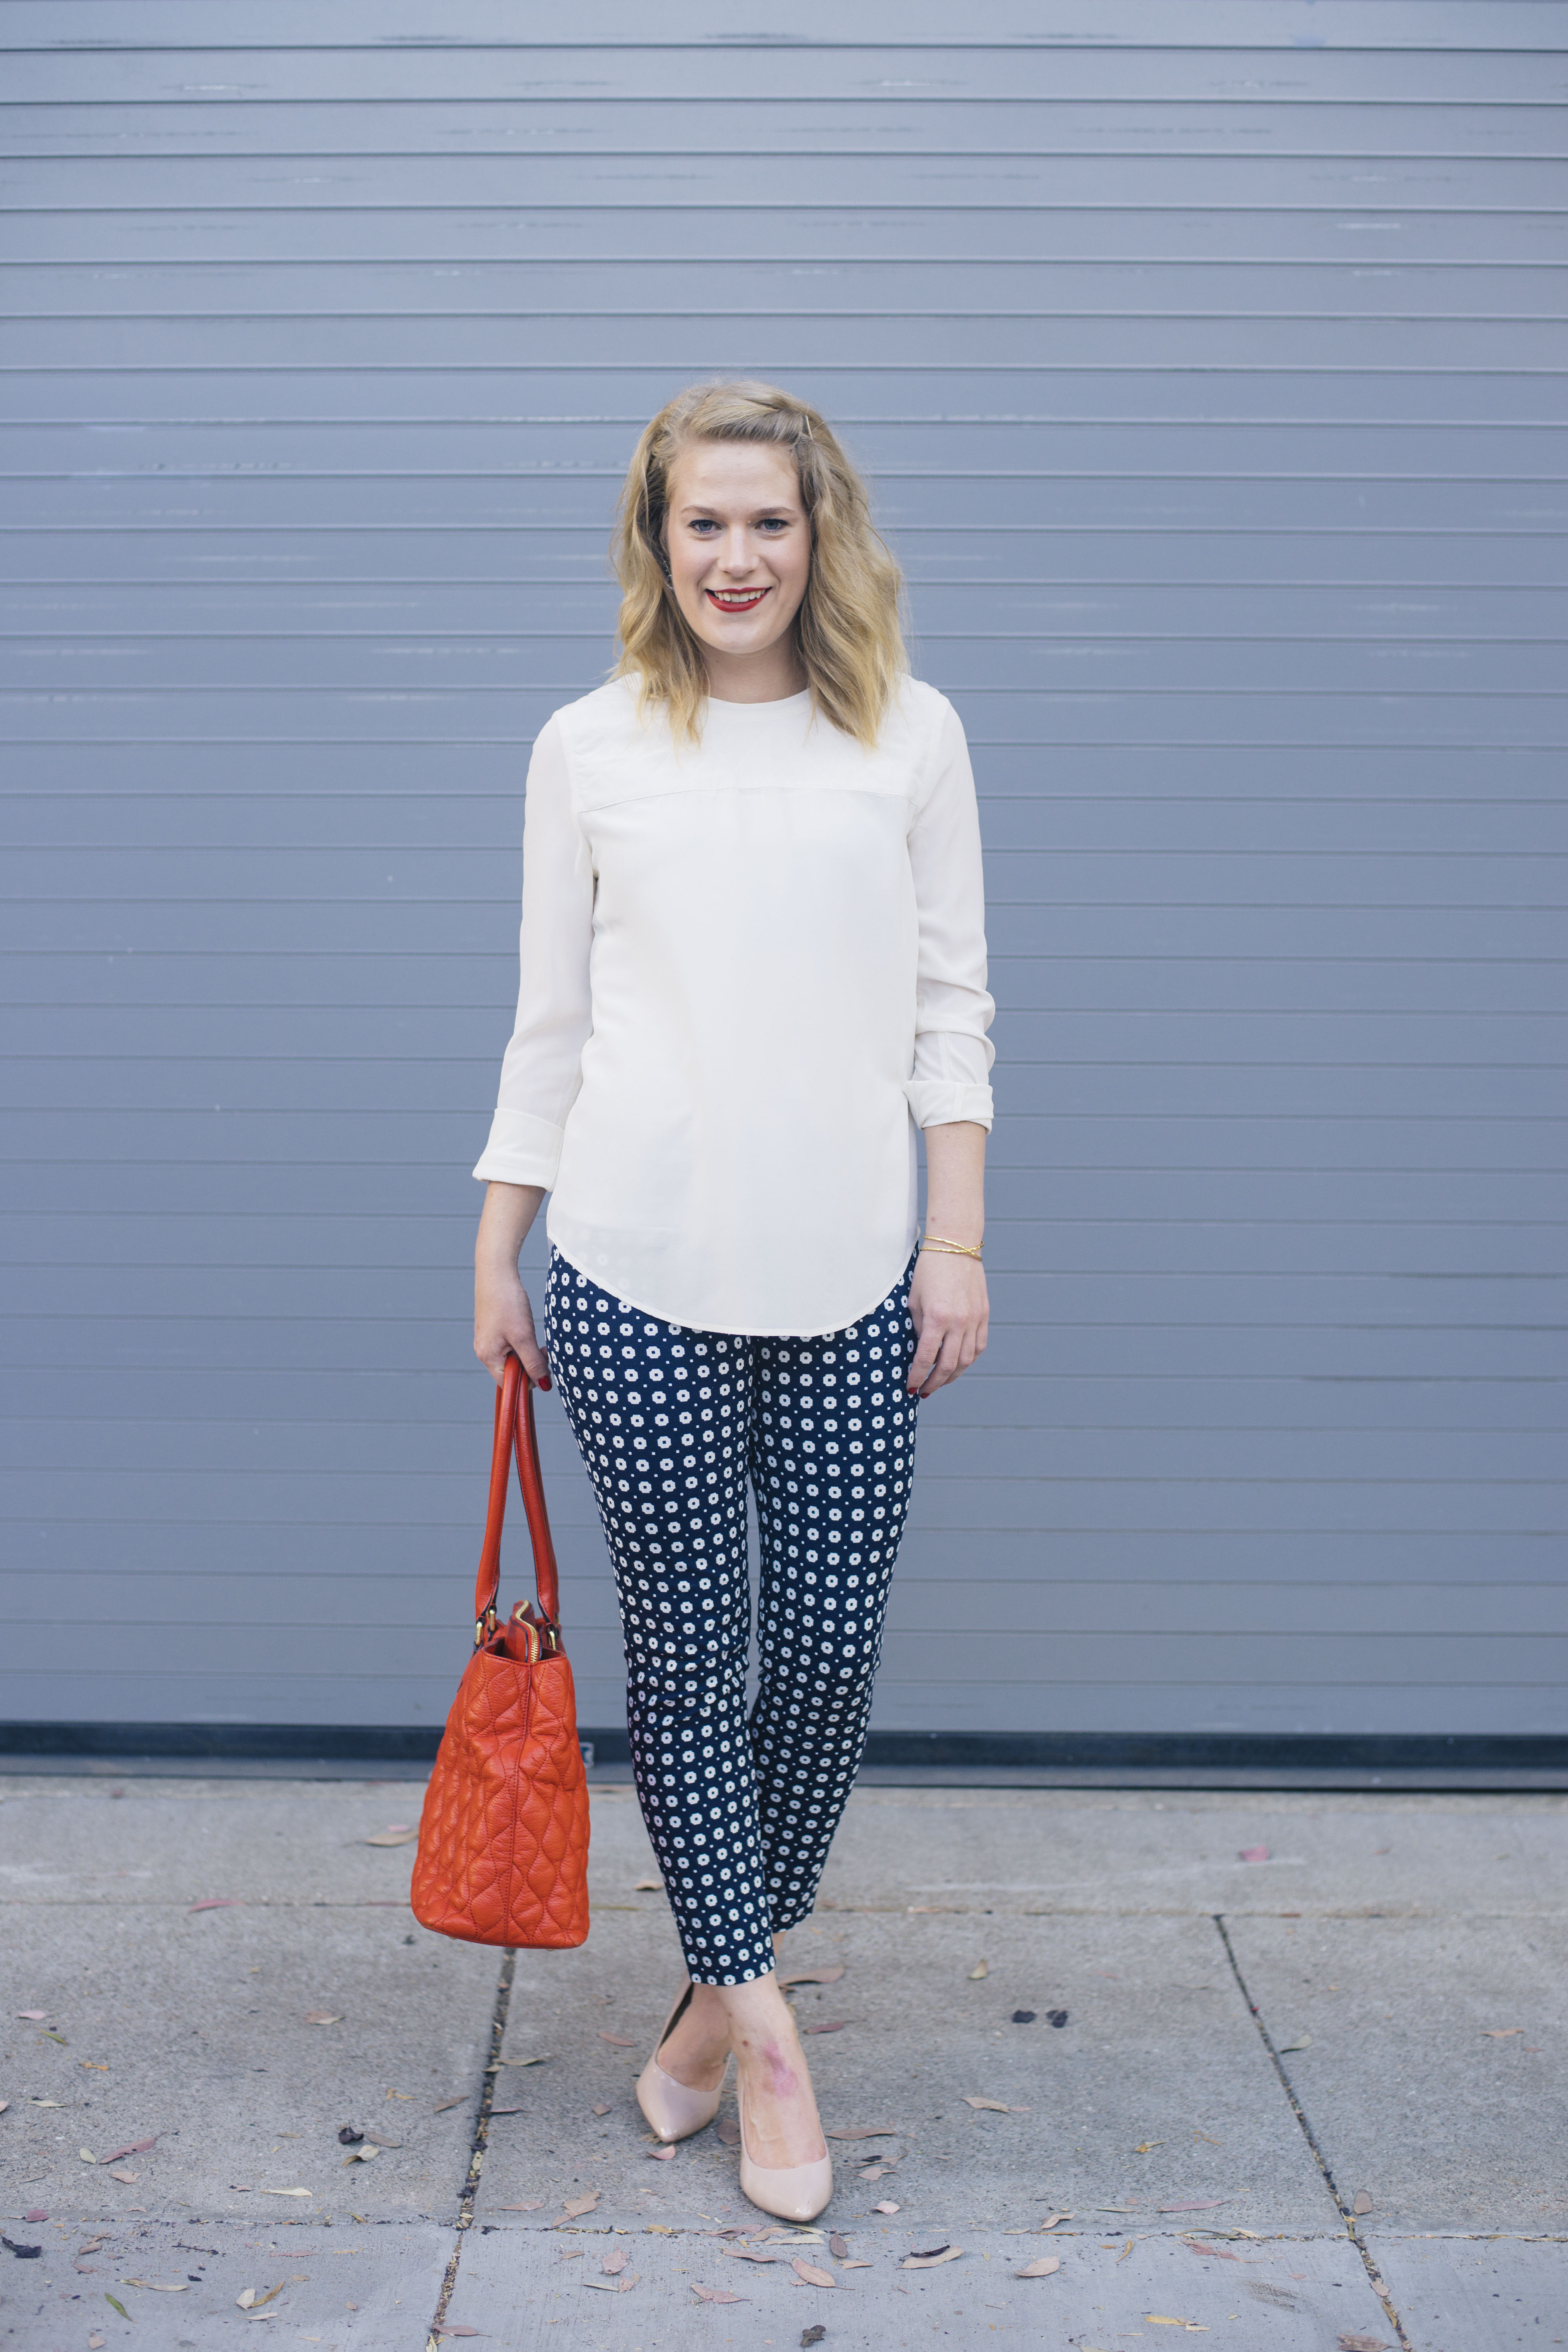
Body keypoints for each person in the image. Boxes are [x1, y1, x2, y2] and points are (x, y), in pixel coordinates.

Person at [471, 380, 994, 2221]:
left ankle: (702, 1995)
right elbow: (554, 1019)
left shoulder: (909, 739)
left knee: (828, 1657)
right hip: (631, 1267)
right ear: (657, 540)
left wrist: (958, 1237)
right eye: (705, 522)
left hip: (856, 1270)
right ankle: (767, 2036)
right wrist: (498, 1236)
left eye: (769, 521)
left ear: (819, 533)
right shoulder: (589, 745)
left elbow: (953, 1010)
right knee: (693, 1660)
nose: (738, 555)